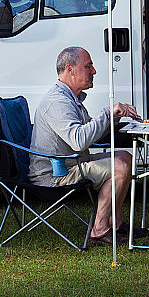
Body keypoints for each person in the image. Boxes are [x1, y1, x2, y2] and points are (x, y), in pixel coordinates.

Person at [29, 46, 139, 246]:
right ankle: (99, 230)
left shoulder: (71, 98)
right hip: (55, 175)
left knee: (125, 156)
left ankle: (114, 223)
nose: (94, 71)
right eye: (88, 66)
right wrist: (107, 113)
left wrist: (114, 118)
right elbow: (79, 141)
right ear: (70, 69)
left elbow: (90, 134)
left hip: (73, 163)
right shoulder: (57, 102)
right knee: (120, 166)